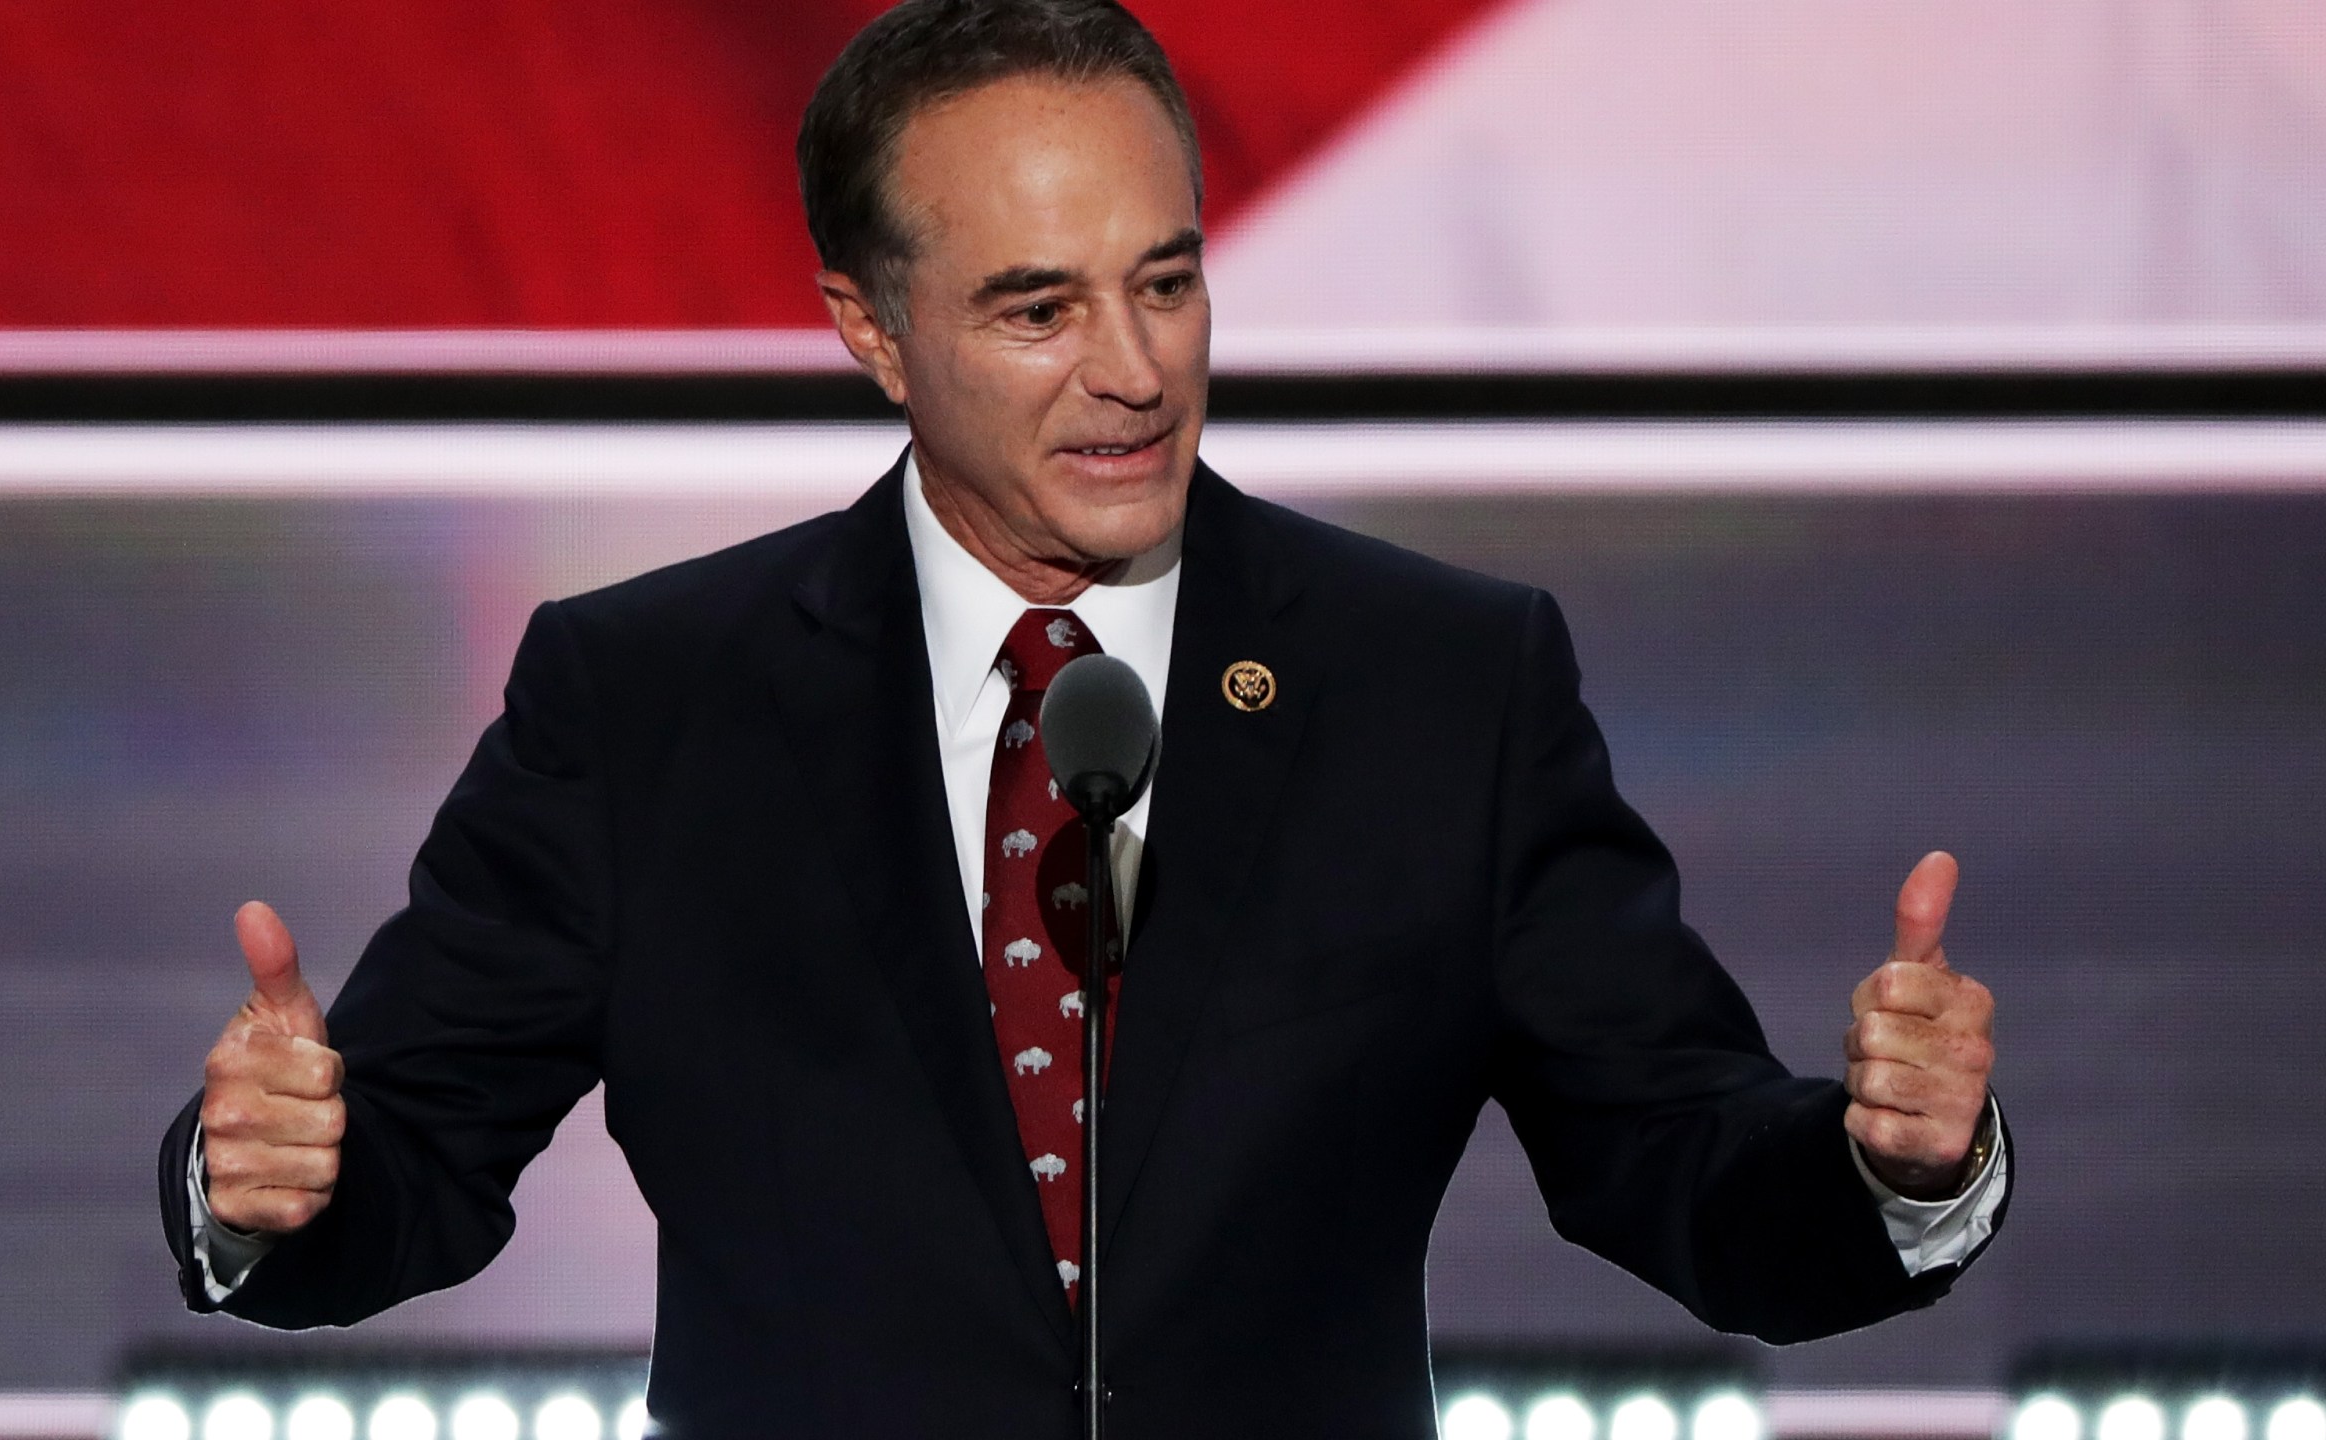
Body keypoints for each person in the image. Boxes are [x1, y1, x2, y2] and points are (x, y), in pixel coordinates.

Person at [160, 2, 2009, 1434]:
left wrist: (1880, 1167)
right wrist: (275, 1182)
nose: (1133, 372)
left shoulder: (1441, 686)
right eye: (1037, 308)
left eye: (1169, 282)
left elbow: (1679, 1165)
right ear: (872, 332)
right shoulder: (647, 700)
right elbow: (399, 1167)